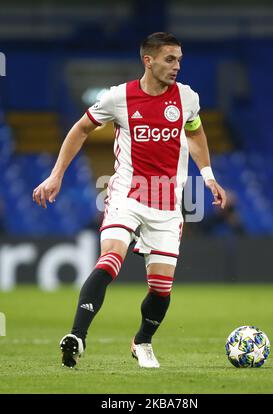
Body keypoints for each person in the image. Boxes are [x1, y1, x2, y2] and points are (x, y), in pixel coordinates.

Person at [32, 32, 227, 369]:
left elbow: (195, 132)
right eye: (170, 59)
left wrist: (209, 176)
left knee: (161, 289)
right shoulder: (118, 98)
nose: (177, 66)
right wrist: (56, 174)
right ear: (148, 61)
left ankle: (142, 341)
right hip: (126, 194)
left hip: (168, 205)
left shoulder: (187, 98)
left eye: (179, 59)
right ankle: (77, 336)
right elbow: (80, 129)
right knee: (111, 257)